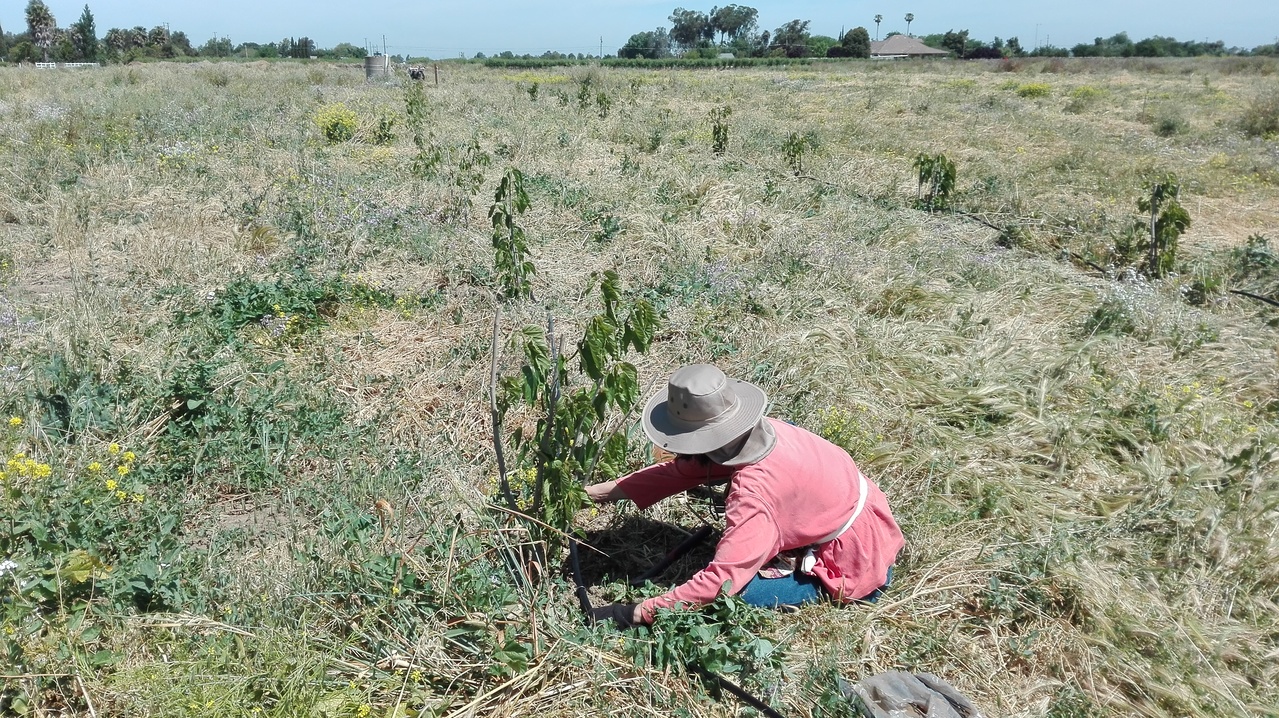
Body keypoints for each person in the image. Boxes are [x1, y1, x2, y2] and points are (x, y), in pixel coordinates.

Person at [585, 364, 904, 628]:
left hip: (859, 560)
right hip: (865, 513)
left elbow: (721, 581)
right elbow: (679, 473)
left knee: (738, 593)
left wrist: (636, 613)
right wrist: (597, 494)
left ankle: (818, 586)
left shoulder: (753, 496)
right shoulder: (766, 430)